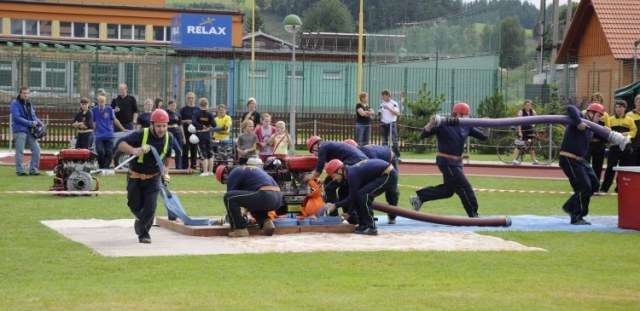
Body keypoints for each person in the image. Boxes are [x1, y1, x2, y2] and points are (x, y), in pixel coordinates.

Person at [409, 103, 490, 218]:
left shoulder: (467, 126)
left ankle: (419, 198)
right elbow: (423, 134)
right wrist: (431, 122)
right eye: (466, 115)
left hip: (456, 163)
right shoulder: (444, 123)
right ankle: (473, 214)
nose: (468, 117)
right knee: (465, 187)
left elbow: (484, 137)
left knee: (448, 191)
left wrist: (486, 125)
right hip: (446, 162)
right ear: (459, 114)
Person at [116, 109, 173, 243]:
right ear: (152, 124)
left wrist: (166, 171)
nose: (161, 129)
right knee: (133, 205)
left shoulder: (169, 137)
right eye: (159, 126)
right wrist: (134, 150)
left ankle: (144, 234)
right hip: (135, 176)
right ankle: (141, 218)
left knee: (151, 206)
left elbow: (168, 156)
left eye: (164, 126)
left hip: (154, 177)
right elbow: (120, 144)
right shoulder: (142, 134)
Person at [558, 103, 606, 225]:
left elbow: (602, 137)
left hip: (580, 160)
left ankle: (569, 206)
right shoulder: (581, 117)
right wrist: (579, 122)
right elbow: (570, 108)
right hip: (568, 157)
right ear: (590, 113)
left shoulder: (591, 127)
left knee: (594, 184)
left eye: (601, 116)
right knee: (584, 187)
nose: (600, 118)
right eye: (598, 115)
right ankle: (577, 216)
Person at [324, 158, 398, 235]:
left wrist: (335, 205)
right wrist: (349, 213)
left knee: (365, 195)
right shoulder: (350, 173)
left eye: (334, 176)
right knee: (360, 194)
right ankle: (363, 225)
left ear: (339, 170)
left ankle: (371, 227)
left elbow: (351, 198)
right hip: (384, 173)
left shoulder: (352, 175)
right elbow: (354, 197)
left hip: (389, 175)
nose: (334, 179)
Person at [306, 136, 367, 223]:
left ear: (315, 145)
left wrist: (309, 177)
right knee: (343, 191)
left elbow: (318, 170)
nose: (314, 154)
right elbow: (335, 170)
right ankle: (353, 219)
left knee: (328, 186)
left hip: (353, 163)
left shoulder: (323, 147)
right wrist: (324, 179)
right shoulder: (330, 146)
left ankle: (332, 217)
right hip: (361, 163)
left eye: (312, 151)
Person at [215, 165, 281, 237]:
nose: (226, 183)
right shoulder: (246, 170)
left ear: (225, 176)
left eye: (224, 182)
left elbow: (231, 197)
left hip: (265, 195)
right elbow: (248, 199)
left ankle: (240, 229)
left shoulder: (232, 174)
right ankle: (266, 223)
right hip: (278, 198)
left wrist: (234, 218)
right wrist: (245, 211)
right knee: (254, 205)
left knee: (228, 197)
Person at [353, 141, 399, 224]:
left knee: (391, 190)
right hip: (382, 163)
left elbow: (376, 166)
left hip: (390, 160)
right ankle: (365, 212)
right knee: (365, 190)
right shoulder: (359, 154)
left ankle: (392, 216)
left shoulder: (368, 154)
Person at [599, 100, 637, 193]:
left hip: (626, 148)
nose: (618, 109)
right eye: (616, 107)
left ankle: (620, 188)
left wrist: (627, 133)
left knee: (623, 168)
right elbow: (607, 132)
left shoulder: (630, 120)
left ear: (625, 108)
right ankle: (604, 188)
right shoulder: (611, 120)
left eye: (620, 107)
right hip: (614, 147)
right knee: (610, 168)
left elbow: (634, 131)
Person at [10, 86, 43, 176]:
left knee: (37, 150)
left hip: (30, 129)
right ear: (20, 93)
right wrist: (30, 123)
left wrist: (41, 123)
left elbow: (33, 116)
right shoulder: (15, 103)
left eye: (27, 93)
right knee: (20, 151)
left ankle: (33, 170)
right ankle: (20, 171)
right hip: (20, 129)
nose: (25, 95)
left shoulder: (29, 103)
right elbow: (17, 118)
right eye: (24, 93)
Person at [93, 95, 127, 169]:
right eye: (100, 102)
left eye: (103, 102)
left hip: (109, 134)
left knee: (109, 152)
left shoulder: (109, 109)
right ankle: (101, 166)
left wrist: (123, 129)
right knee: (99, 151)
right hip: (99, 135)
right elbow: (94, 122)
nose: (102, 104)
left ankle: (105, 167)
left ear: (105, 102)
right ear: (98, 102)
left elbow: (115, 120)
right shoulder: (95, 109)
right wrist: (93, 132)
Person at [584, 92, 610, 183]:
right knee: (585, 164)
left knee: (598, 165)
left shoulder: (605, 115)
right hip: (587, 144)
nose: (596, 102)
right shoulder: (584, 113)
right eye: (594, 100)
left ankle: (596, 184)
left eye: (598, 100)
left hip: (599, 144)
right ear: (591, 102)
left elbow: (607, 130)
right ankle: (585, 182)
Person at [192, 98, 217, 176]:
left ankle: (205, 172)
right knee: (210, 152)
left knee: (203, 153)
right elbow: (214, 124)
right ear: (207, 105)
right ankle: (210, 171)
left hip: (200, 134)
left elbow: (193, 122)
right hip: (208, 134)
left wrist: (201, 126)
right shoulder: (210, 114)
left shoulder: (196, 112)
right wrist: (207, 126)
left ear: (199, 105)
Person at [511, 99, 540, 165]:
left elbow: (537, 119)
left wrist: (533, 124)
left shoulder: (533, 112)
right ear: (524, 105)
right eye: (526, 105)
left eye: (529, 105)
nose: (528, 106)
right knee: (519, 145)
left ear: (531, 105)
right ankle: (514, 160)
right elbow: (519, 122)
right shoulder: (521, 112)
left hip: (530, 131)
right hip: (523, 131)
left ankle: (534, 160)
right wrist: (520, 132)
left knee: (531, 146)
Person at [379, 89, 401, 161]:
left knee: (394, 140)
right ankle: (386, 156)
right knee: (384, 140)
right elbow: (380, 112)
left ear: (388, 95)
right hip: (383, 123)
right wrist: (380, 115)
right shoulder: (382, 104)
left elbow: (397, 113)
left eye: (384, 96)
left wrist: (389, 109)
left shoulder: (394, 103)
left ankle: (397, 156)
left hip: (392, 123)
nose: (383, 98)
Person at [180, 92, 199, 170]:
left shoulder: (198, 109)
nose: (191, 100)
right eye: (189, 98)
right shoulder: (183, 109)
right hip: (185, 133)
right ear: (186, 99)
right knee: (185, 150)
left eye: (192, 98)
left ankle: (193, 166)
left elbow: (200, 121)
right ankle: (184, 166)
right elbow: (179, 122)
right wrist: (186, 121)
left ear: (194, 99)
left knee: (194, 150)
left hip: (195, 133)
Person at [166, 99, 184, 169]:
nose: (173, 107)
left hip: (178, 133)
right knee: (177, 150)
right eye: (171, 105)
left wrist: (183, 137)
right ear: (168, 105)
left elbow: (180, 125)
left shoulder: (178, 114)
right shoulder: (165, 113)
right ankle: (166, 166)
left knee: (179, 151)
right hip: (170, 133)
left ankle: (179, 167)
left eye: (174, 105)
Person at [626, 95, 640, 165]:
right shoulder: (629, 115)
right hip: (633, 145)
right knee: (632, 166)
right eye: (639, 102)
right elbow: (627, 130)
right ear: (635, 103)